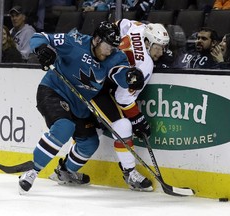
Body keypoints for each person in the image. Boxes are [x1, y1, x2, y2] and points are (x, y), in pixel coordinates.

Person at [18, 21, 142, 194]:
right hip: (54, 91)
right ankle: (32, 171)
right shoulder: (74, 42)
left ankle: (65, 172)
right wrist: (41, 49)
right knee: (64, 127)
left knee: (89, 143)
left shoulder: (115, 56)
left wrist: (130, 77)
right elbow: (40, 37)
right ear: (97, 39)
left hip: (80, 103)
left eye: (114, 47)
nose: (110, 50)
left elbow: (120, 75)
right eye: (108, 45)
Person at [50, 19, 170, 192]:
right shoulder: (145, 65)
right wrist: (138, 119)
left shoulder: (140, 28)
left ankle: (66, 170)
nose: (161, 52)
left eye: (163, 47)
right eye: (158, 47)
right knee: (123, 125)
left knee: (94, 132)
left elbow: (121, 23)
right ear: (147, 42)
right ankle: (130, 174)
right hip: (97, 86)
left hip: (92, 74)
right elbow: (123, 99)